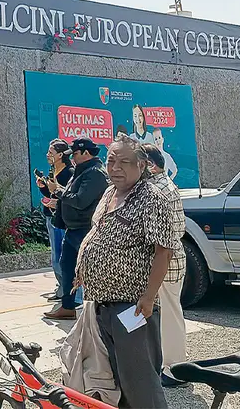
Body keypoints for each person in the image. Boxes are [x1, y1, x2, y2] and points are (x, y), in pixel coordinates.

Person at [74, 135, 179, 408]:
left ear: (141, 165)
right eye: (111, 161)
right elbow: (98, 233)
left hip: (132, 306)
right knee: (114, 379)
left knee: (140, 383)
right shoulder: (110, 192)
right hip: (103, 304)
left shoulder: (151, 199)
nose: (115, 168)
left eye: (124, 162)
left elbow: (164, 251)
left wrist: (147, 298)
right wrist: (83, 268)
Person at [44, 138, 108, 321]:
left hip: (85, 230)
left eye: (75, 154)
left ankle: (97, 308)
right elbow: (72, 197)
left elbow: (81, 200)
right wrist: (58, 200)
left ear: (86, 153)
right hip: (73, 229)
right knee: (67, 267)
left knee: (89, 270)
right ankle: (68, 306)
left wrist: (59, 191)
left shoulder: (95, 173)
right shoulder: (82, 171)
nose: (72, 158)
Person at [143, 144, 189, 388]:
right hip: (169, 259)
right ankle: (169, 363)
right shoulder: (162, 184)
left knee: (170, 315)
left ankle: (176, 367)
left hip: (165, 260)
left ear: (150, 164)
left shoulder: (157, 189)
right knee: (167, 313)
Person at [36, 140, 74, 301]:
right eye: (48, 152)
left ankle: (70, 291)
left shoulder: (70, 173)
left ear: (60, 155)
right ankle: (62, 287)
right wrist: (42, 186)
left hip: (63, 218)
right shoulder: (53, 170)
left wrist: (58, 202)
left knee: (63, 256)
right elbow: (50, 194)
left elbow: (70, 197)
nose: (48, 155)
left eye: (51, 152)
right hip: (51, 216)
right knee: (55, 255)